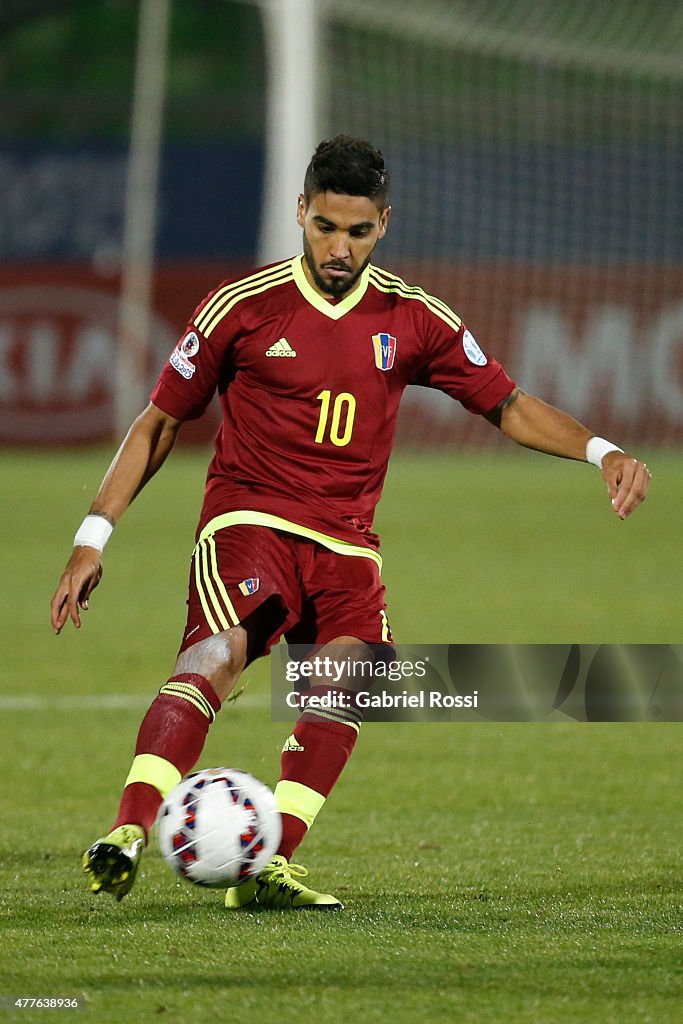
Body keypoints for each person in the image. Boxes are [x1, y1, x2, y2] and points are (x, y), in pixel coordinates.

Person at [50, 135, 651, 910]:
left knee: (351, 680)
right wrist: (91, 537)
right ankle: (127, 830)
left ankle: (266, 863)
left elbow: (506, 404)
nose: (338, 247)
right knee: (220, 652)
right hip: (249, 520)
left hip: (347, 547)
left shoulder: (412, 319)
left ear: (384, 224)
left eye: (357, 231)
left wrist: (599, 450)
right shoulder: (244, 307)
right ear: (300, 212)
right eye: (324, 226)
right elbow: (160, 423)